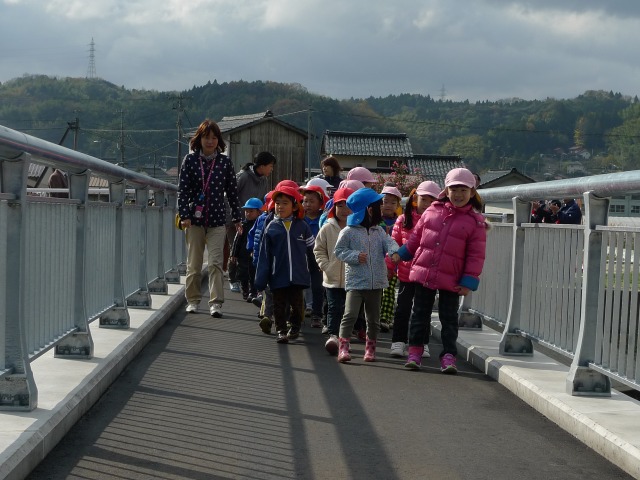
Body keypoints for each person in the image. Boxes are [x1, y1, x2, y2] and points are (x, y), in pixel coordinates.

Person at [392, 168, 488, 373]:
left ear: (472, 192)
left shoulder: (475, 222)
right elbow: (415, 239)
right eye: (454, 189)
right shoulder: (432, 211)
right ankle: (415, 352)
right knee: (419, 314)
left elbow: (476, 255)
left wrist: (469, 281)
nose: (459, 194)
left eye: (464, 189)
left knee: (449, 318)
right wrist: (400, 255)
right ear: (446, 190)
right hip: (425, 271)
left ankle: (448, 356)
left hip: (453, 278)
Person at [178, 119, 242, 318]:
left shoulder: (224, 162)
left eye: (214, 138)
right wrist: (185, 216)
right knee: (194, 264)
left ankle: (216, 303)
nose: (211, 141)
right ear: (200, 139)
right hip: (194, 221)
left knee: (215, 263)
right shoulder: (189, 161)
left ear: (218, 141)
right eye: (207, 137)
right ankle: (193, 300)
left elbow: (232, 192)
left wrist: (237, 217)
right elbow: (183, 191)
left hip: (217, 220)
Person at [334, 188, 399, 363]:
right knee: (350, 315)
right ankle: (343, 348)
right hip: (356, 282)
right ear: (369, 210)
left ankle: (370, 349)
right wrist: (355, 256)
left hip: (376, 283)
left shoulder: (379, 231)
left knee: (373, 319)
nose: (382, 208)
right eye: (379, 205)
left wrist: (394, 252)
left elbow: (390, 243)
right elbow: (339, 251)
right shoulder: (348, 231)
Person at [254, 184, 315, 344]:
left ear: (295, 206)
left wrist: (316, 270)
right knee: (279, 305)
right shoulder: (271, 227)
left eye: (285, 203)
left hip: (299, 275)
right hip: (277, 275)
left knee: (297, 304)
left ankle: (295, 326)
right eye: (278, 203)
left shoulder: (303, 226)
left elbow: (312, 250)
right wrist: (261, 278)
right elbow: (264, 255)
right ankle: (281, 330)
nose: (280, 206)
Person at [389, 181, 441, 359]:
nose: (426, 204)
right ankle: (398, 341)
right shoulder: (403, 219)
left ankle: (421, 343)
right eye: (423, 199)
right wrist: (389, 267)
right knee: (402, 308)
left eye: (431, 200)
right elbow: (394, 245)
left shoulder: (438, 221)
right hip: (405, 272)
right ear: (415, 199)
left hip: (426, 274)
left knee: (422, 310)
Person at [228, 151, 277, 292]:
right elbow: (229, 196)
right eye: (270, 166)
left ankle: (248, 280)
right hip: (236, 220)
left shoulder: (264, 180)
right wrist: (233, 218)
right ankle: (233, 279)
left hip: (254, 222)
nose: (271, 169)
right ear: (261, 166)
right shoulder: (243, 177)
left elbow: (263, 202)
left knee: (250, 251)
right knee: (235, 248)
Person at [313, 187, 354, 354]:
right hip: (332, 277)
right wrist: (325, 266)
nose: (344, 210)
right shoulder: (328, 228)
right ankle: (333, 336)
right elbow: (318, 248)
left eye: (348, 205)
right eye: (340, 205)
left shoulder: (357, 228)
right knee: (334, 306)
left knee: (350, 310)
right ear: (333, 207)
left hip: (353, 278)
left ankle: (346, 337)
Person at [301, 184, 329, 328]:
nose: (308, 204)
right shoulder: (299, 219)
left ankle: (317, 315)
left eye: (312, 201)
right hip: (300, 256)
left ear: (320, 203)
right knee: (299, 285)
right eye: (305, 201)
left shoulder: (323, 220)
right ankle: (297, 314)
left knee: (318, 286)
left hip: (318, 257)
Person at [379, 184, 403, 333]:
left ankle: (385, 318)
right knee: (377, 291)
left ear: (398, 205)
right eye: (385, 201)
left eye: (392, 203)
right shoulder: (373, 220)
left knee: (388, 290)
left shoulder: (400, 222)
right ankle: (378, 316)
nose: (388, 205)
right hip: (375, 261)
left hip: (393, 263)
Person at [230, 197, 263, 302]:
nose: (248, 213)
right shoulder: (243, 225)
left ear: (259, 212)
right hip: (243, 255)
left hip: (255, 255)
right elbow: (237, 241)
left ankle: (253, 292)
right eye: (246, 211)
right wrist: (234, 254)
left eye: (251, 211)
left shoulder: (262, 225)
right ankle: (246, 291)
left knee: (254, 274)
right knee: (243, 274)